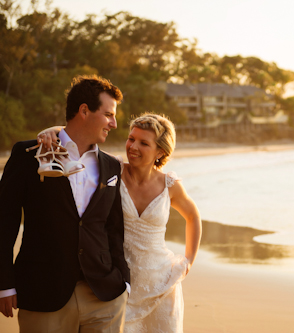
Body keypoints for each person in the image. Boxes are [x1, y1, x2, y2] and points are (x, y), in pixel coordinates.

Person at [38, 112, 202, 332]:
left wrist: (189, 260)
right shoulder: (112, 170)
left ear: (160, 152)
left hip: (163, 284)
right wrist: (55, 130)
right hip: (122, 284)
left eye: (143, 143)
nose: (133, 146)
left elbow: (193, 216)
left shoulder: (170, 185)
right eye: (131, 138)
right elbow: (79, 139)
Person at [0, 75, 130, 332]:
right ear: (84, 110)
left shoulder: (112, 165)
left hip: (104, 295)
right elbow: (5, 222)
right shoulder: (29, 156)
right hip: (43, 292)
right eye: (108, 115)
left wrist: (123, 281)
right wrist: (5, 283)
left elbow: (113, 229)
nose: (114, 124)